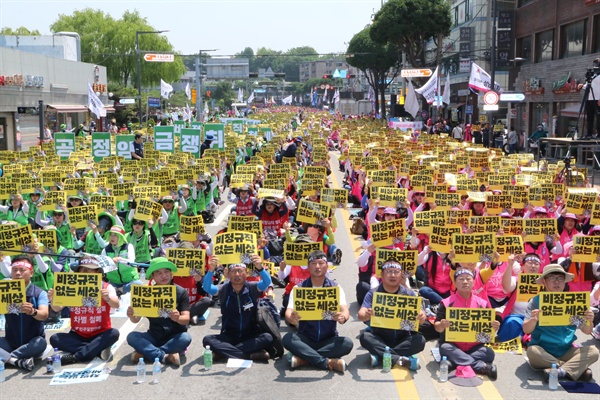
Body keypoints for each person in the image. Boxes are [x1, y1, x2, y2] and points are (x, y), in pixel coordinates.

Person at [522, 264, 599, 382]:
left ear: (565, 282)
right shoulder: (536, 301)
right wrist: (533, 320)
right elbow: (526, 330)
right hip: (543, 349)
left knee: (593, 352)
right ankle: (572, 369)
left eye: (560, 278)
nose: (557, 282)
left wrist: (589, 319)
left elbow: (587, 331)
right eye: (552, 278)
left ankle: (559, 370)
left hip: (566, 350)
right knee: (532, 352)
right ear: (544, 281)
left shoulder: (574, 301)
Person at [283, 250, 353, 372]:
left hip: (328, 339)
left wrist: (343, 317)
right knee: (287, 339)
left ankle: (304, 358)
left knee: (347, 343)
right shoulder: (299, 288)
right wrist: (291, 318)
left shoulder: (335, 288)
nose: (317, 267)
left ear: (327, 266)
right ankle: (326, 362)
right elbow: (288, 311)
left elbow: (345, 309)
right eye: (313, 263)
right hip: (305, 338)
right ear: (308, 267)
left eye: (321, 263)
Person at [202, 254, 275, 361]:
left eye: (240, 271)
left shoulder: (253, 287)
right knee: (207, 340)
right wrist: (211, 270)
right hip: (229, 336)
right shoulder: (223, 289)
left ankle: (223, 353)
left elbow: (267, 282)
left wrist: (260, 267)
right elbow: (207, 287)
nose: (237, 274)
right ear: (228, 274)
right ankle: (248, 355)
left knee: (267, 337)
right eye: (233, 271)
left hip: (250, 335)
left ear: (246, 273)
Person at [47, 257, 120, 364]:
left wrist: (108, 298)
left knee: (113, 333)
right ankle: (96, 351)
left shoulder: (106, 287)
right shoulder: (71, 286)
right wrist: (53, 299)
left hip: (100, 333)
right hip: (77, 335)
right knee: (55, 339)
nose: (86, 272)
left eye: (90, 270)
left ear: (98, 272)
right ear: (78, 272)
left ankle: (75, 356)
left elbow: (116, 304)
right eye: (83, 270)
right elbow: (56, 308)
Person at [358, 260, 426, 370]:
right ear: (382, 275)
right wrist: (366, 314)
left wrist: (422, 316)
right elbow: (361, 314)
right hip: (380, 336)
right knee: (365, 337)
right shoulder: (374, 293)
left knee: (420, 340)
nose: (393, 275)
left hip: (403, 337)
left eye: (396, 272)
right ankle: (400, 359)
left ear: (401, 275)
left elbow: (422, 315)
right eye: (389, 271)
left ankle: (381, 355)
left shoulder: (409, 294)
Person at [434, 269, 499, 380]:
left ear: (473, 282)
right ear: (454, 283)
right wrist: (441, 325)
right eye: (461, 279)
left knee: (489, 353)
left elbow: (487, 333)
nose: (465, 282)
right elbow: (437, 327)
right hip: (453, 345)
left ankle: (455, 363)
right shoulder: (446, 303)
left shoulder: (482, 304)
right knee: (445, 347)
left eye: (468, 279)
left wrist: (494, 328)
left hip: (475, 347)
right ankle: (481, 366)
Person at [126, 257, 192, 366]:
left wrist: (178, 318)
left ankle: (148, 353)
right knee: (132, 337)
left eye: (166, 272)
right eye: (159, 273)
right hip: (154, 335)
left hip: (174, 336)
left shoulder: (181, 292)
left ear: (172, 274)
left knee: (186, 338)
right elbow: (135, 320)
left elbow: (186, 319)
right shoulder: (146, 293)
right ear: (153, 276)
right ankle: (165, 356)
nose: (164, 276)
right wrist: (132, 314)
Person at [0, 256, 50, 371]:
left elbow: (44, 314)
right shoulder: (3, 291)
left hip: (32, 342)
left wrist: (33, 312)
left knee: (41, 343)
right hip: (10, 341)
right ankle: (16, 361)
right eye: (14, 270)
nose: (17, 273)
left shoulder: (39, 293)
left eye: (22, 270)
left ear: (31, 272)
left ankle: (6, 358)